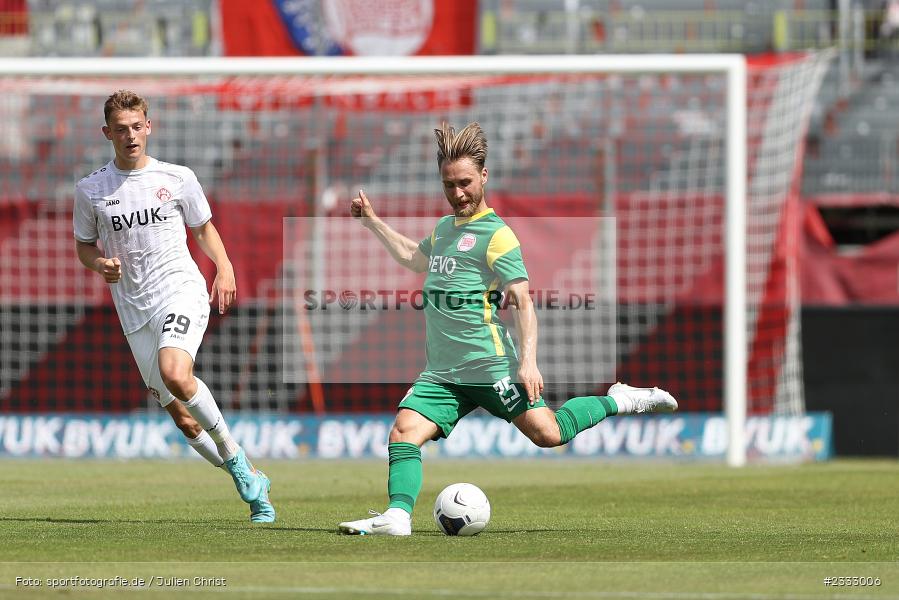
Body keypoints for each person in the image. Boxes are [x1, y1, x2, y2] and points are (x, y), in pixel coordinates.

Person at [338, 122, 677, 536]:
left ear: (484, 176)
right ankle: (396, 517)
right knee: (404, 432)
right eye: (449, 184)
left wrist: (528, 361)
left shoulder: (498, 236)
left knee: (548, 434)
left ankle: (618, 400)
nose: (458, 193)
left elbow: (523, 300)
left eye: (465, 182)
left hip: (490, 364)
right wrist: (373, 221)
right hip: (443, 373)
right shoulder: (445, 229)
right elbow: (414, 258)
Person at [73, 90, 275, 523]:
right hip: (133, 310)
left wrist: (225, 267)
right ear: (107, 133)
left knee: (175, 372)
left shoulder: (178, 177)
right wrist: (100, 264)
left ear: (149, 126)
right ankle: (253, 482)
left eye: (137, 126)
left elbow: (203, 229)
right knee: (183, 421)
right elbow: (84, 246)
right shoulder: (91, 190)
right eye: (121, 129)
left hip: (179, 290)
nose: (130, 136)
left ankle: (236, 457)